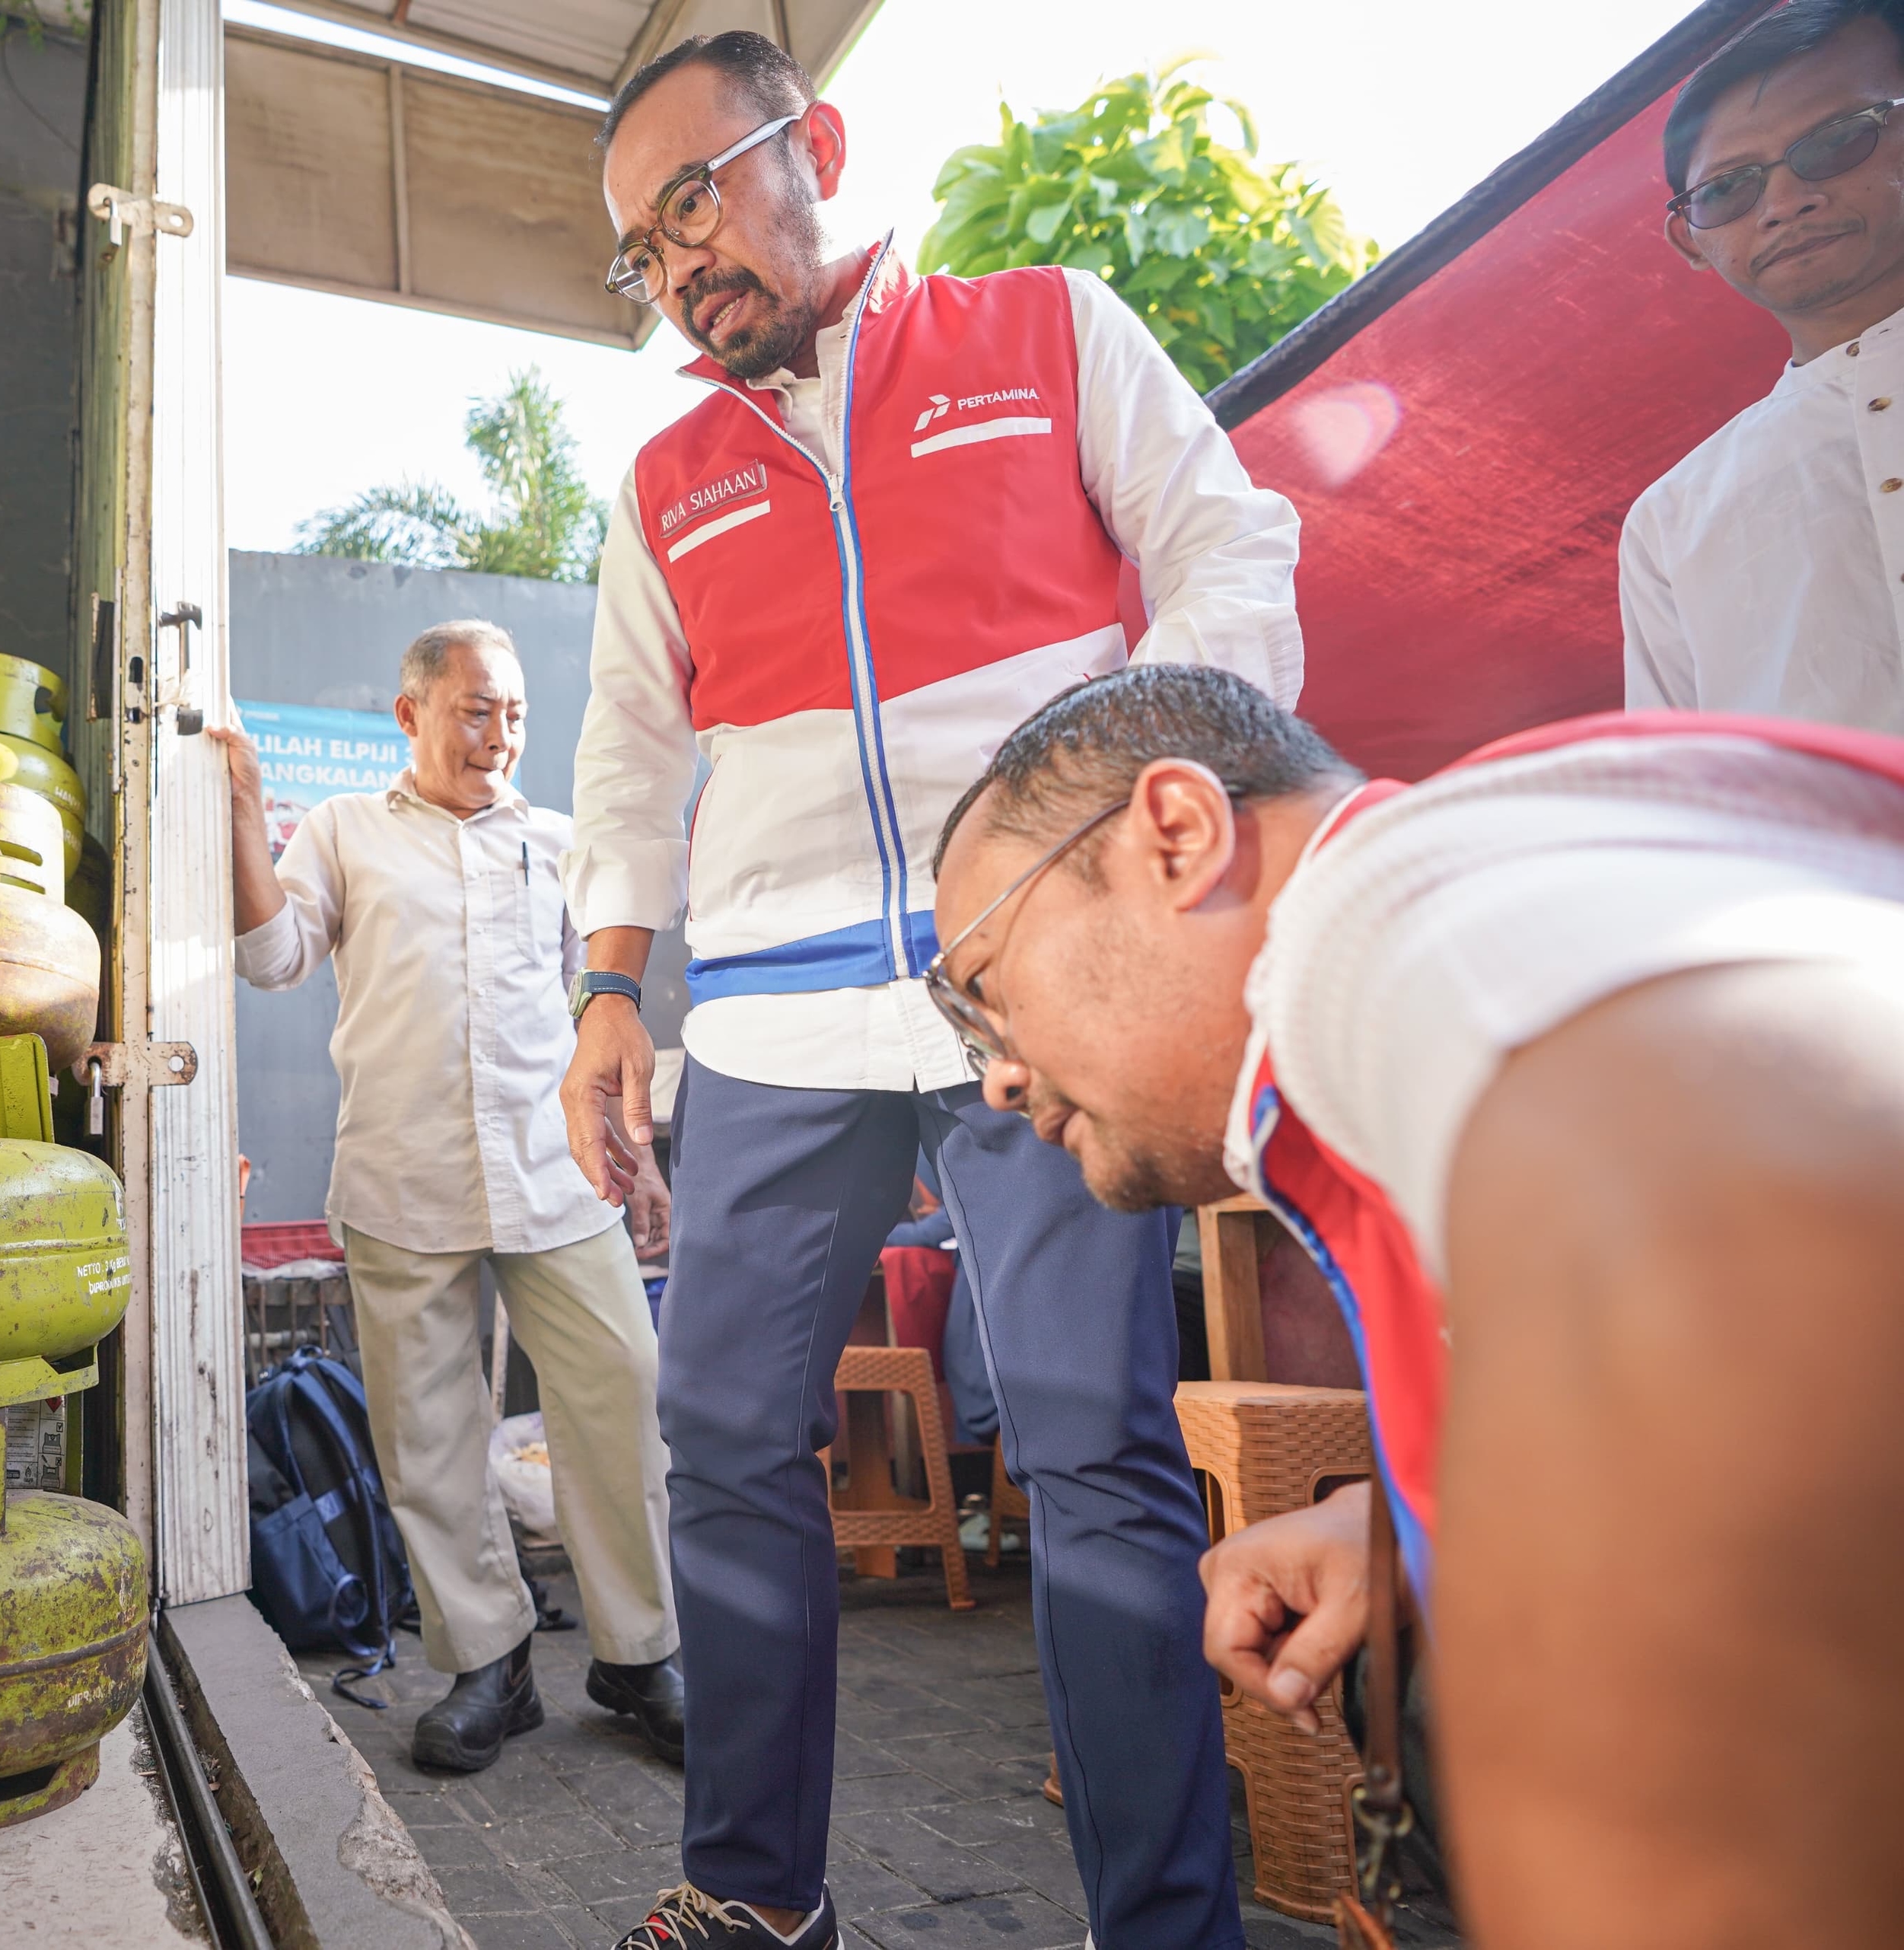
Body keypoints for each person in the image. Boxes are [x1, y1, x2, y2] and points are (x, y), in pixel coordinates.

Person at [562, 30, 1302, 1950]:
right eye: (642, 252)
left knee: (1090, 1447)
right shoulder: (661, 478)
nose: (677, 265)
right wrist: (608, 993)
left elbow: (1229, 550)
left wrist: (1120, 819)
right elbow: (628, 759)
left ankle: (1164, 1926)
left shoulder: (1045, 329)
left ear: (810, 143)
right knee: (721, 1439)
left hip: (1035, 998)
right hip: (775, 1028)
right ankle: (751, 1895)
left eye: (693, 201)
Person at [925, 662, 1904, 1948]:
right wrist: (1428, 1504)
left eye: (986, 983)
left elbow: (1751, 1227)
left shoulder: (1408, 934)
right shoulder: (1494, 885)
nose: (994, 1075)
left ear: (1178, 836)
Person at [209, 620, 686, 1777]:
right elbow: (273, 957)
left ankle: (637, 1652)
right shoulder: (343, 831)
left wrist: (646, 1152)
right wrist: (240, 817)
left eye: (515, 713)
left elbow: (607, 1015)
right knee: (428, 1432)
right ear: (411, 713)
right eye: (477, 710)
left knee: (619, 1383)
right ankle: (491, 1662)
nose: (500, 735)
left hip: (557, 1166)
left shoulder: (559, 845)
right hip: (402, 1168)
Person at [1625, 0, 1904, 729]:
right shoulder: (1670, 520)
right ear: (1690, 240)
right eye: (1728, 188)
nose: (1784, 202)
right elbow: (1686, 800)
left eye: (1840, 139)